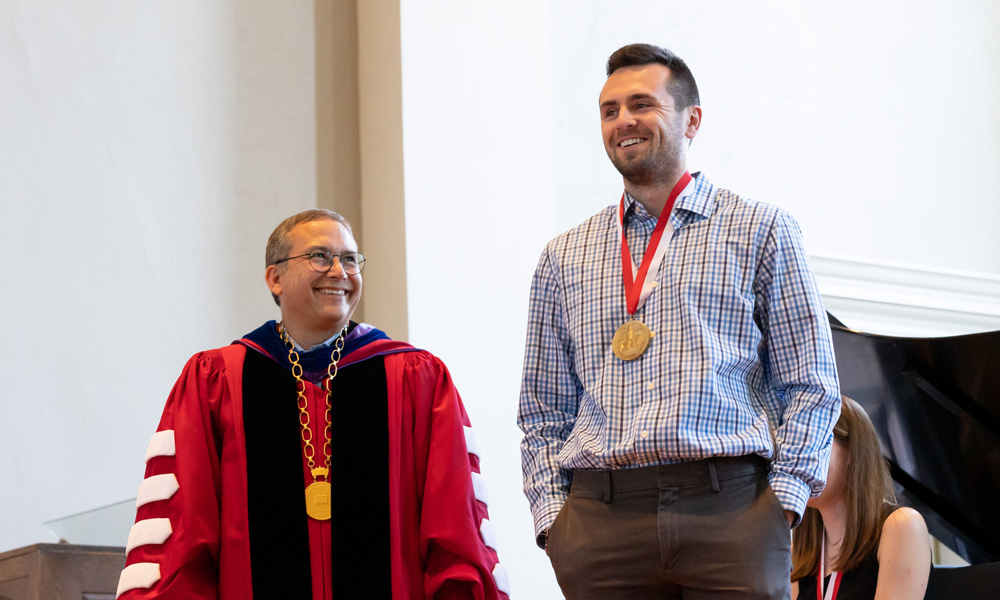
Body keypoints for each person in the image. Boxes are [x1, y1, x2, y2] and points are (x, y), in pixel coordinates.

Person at [517, 42, 841, 598]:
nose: (623, 121)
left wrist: (783, 502)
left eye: (641, 104)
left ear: (692, 119)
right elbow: (543, 406)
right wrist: (555, 521)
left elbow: (811, 382)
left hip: (731, 509)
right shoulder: (562, 255)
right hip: (599, 521)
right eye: (609, 110)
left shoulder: (762, 230)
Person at [116, 209, 510, 599]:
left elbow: (455, 528)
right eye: (320, 256)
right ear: (275, 278)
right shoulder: (216, 380)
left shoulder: (416, 378)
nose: (339, 271)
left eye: (350, 259)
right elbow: (183, 534)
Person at [791, 397, 931, 599]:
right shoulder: (804, 547)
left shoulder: (902, 525)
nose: (799, 462)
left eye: (813, 444)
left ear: (853, 452)